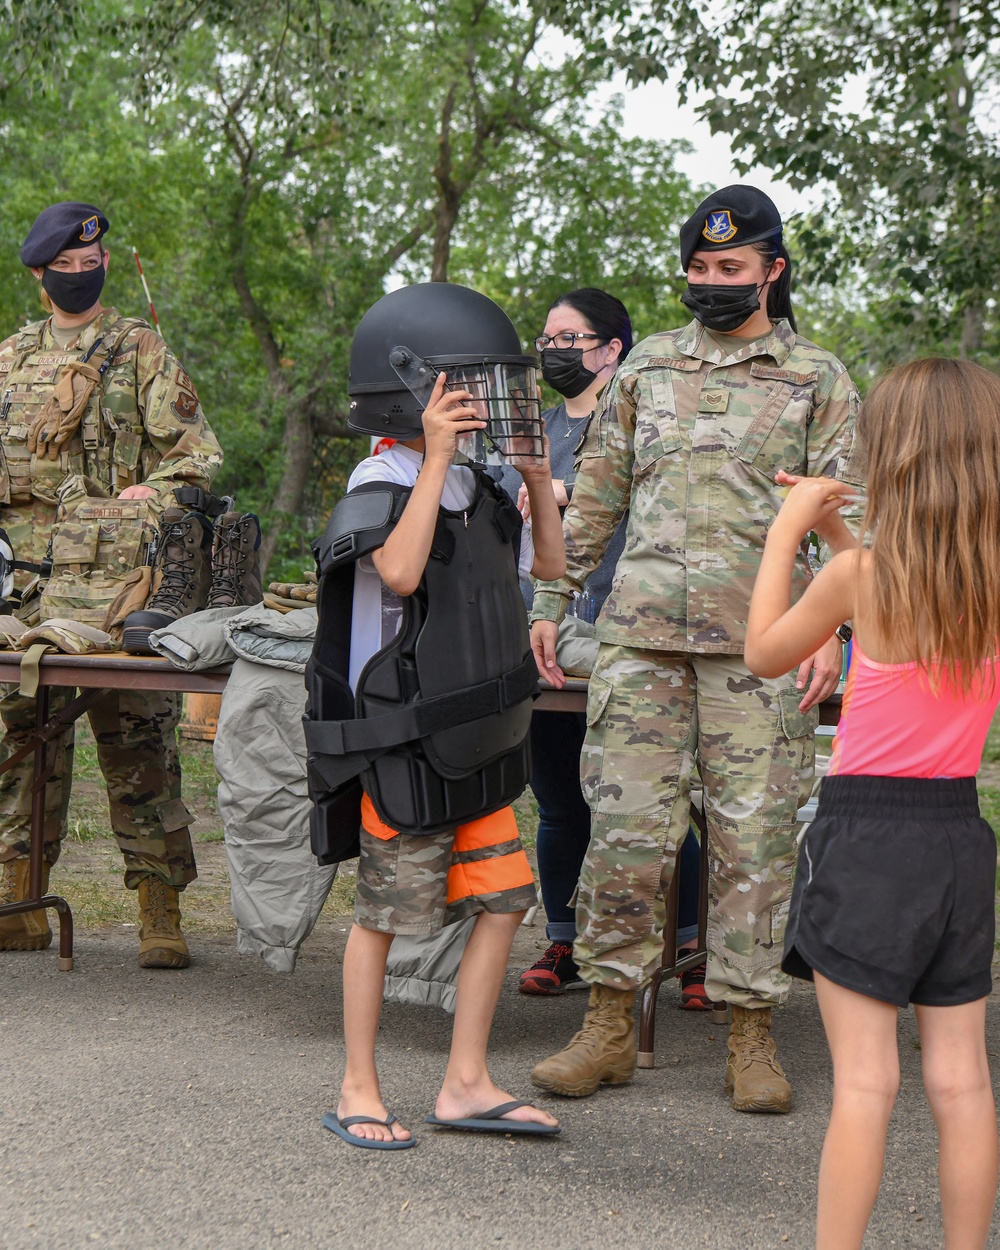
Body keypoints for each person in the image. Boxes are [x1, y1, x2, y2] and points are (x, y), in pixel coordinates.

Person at [528, 185, 864, 1112]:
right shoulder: (644, 369)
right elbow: (593, 496)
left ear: (772, 272)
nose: (710, 283)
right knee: (625, 833)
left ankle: (751, 1034)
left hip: (762, 649)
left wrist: (836, 626)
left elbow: (851, 516)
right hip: (639, 639)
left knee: (752, 843)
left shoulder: (818, 379)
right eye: (699, 268)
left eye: (730, 269)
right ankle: (606, 1026)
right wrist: (553, 599)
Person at [744, 357, 1000, 1250]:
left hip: (868, 838)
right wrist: (840, 526)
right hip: (959, 840)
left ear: (891, 454)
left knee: (865, 1085)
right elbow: (910, 600)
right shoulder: (984, 579)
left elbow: (765, 654)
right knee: (963, 1083)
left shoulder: (861, 581)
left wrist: (787, 534)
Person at [309, 282, 564, 1148]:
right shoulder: (381, 475)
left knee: (503, 904)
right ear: (412, 389)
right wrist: (430, 460)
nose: (482, 404)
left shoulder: (481, 480)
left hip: (478, 743)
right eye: (465, 386)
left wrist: (534, 476)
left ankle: (465, 1082)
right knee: (384, 916)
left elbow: (553, 563)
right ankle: (357, 1086)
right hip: (407, 749)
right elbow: (405, 573)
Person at [0, 201, 223, 968]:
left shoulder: (139, 350)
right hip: (22, 593)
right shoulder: (9, 360)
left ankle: (159, 911)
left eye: (90, 264)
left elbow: (197, 454)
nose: (80, 275)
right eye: (64, 267)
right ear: (39, 274)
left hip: (114, 584)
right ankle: (18, 900)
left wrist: (150, 495)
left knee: (139, 744)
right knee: (19, 744)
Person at [500, 288, 709, 1006]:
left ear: (612, 349)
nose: (554, 350)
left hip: (636, 639)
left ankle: (691, 949)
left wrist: (570, 492)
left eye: (570, 338)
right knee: (560, 803)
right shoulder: (537, 429)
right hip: (550, 638)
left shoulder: (647, 423)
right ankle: (565, 939)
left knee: (661, 803)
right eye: (547, 338)